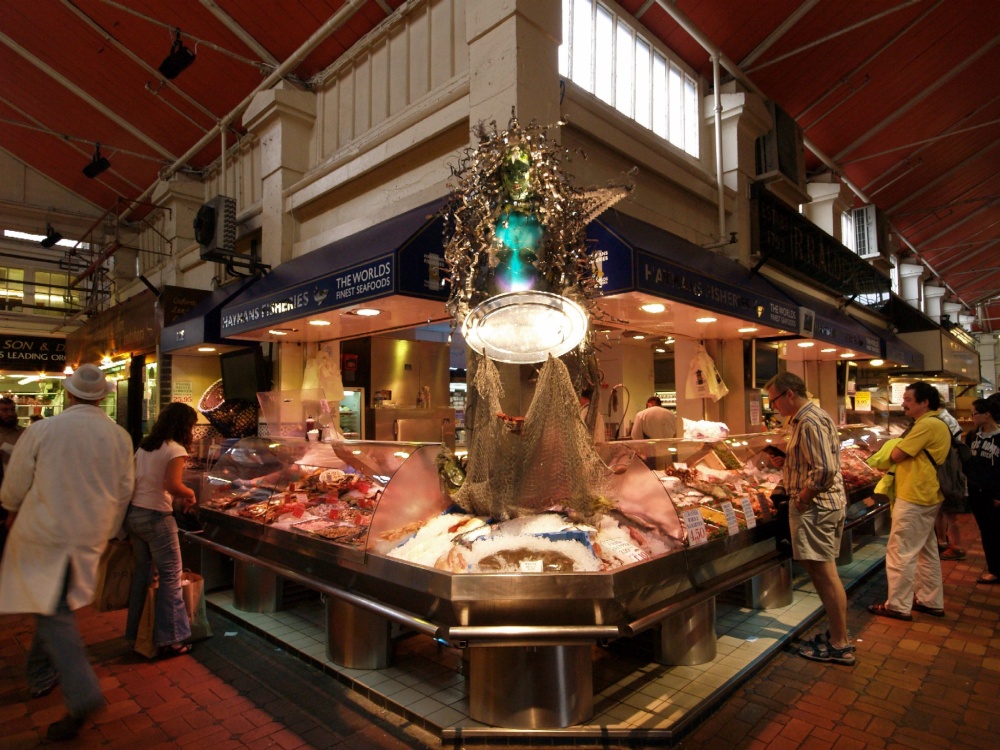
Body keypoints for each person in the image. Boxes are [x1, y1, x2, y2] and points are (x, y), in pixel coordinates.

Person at [0, 364, 134, 742]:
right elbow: (124, 489)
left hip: (44, 534)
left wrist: (10, 510)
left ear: (71, 394)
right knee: (52, 606)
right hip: (87, 537)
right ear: (103, 396)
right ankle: (42, 673)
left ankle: (83, 694)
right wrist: (109, 531)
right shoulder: (120, 437)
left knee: (52, 611)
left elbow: (15, 483)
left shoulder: (44, 429)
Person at [764, 372, 854, 666]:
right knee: (825, 574)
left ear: (790, 394)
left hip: (815, 507)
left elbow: (824, 470)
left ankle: (840, 644)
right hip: (825, 504)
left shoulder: (809, 421)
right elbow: (816, 462)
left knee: (825, 575)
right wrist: (787, 462)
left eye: (774, 399)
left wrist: (801, 498)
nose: (773, 406)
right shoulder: (813, 416)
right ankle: (837, 635)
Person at [868, 381, 951, 621]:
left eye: (908, 399)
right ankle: (930, 600)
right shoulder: (935, 423)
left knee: (900, 552)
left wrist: (892, 448)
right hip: (927, 494)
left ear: (925, 402)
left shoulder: (926, 425)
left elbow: (897, 454)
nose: (903, 403)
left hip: (915, 495)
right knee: (926, 551)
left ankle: (897, 605)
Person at [124, 402, 199, 658]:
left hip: (135, 514)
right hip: (157, 517)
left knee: (143, 575)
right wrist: (191, 494)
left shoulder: (146, 445)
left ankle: (135, 633)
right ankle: (173, 639)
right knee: (170, 577)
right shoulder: (176, 449)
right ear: (184, 425)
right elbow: (172, 485)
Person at [965, 398, 1000, 584]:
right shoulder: (972, 436)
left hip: (994, 493)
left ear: (987, 414)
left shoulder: (999, 437)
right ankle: (994, 568)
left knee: (995, 530)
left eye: (974, 413)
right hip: (976, 492)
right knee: (986, 530)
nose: (972, 417)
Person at [934, 407, 966, 560]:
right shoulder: (943, 419)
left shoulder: (943, 421)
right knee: (940, 512)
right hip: (945, 473)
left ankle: (957, 547)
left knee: (950, 514)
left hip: (948, 473)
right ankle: (942, 543)